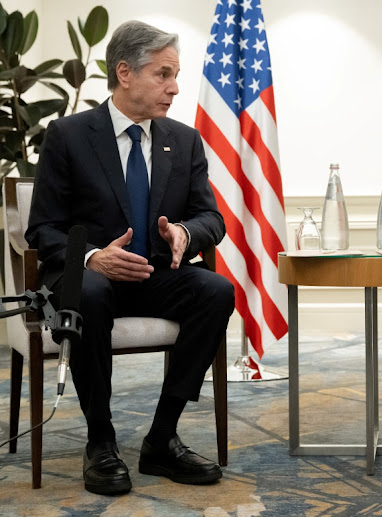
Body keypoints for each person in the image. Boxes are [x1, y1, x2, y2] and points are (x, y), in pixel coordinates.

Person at [25, 21, 235, 495]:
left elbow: (210, 217)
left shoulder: (183, 140)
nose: (174, 88)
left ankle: (161, 439)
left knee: (217, 290)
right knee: (94, 291)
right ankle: (100, 440)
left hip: (154, 274)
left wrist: (185, 232)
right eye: (163, 74)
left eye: (175, 75)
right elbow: (44, 229)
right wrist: (93, 256)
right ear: (125, 72)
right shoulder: (68, 135)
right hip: (88, 280)